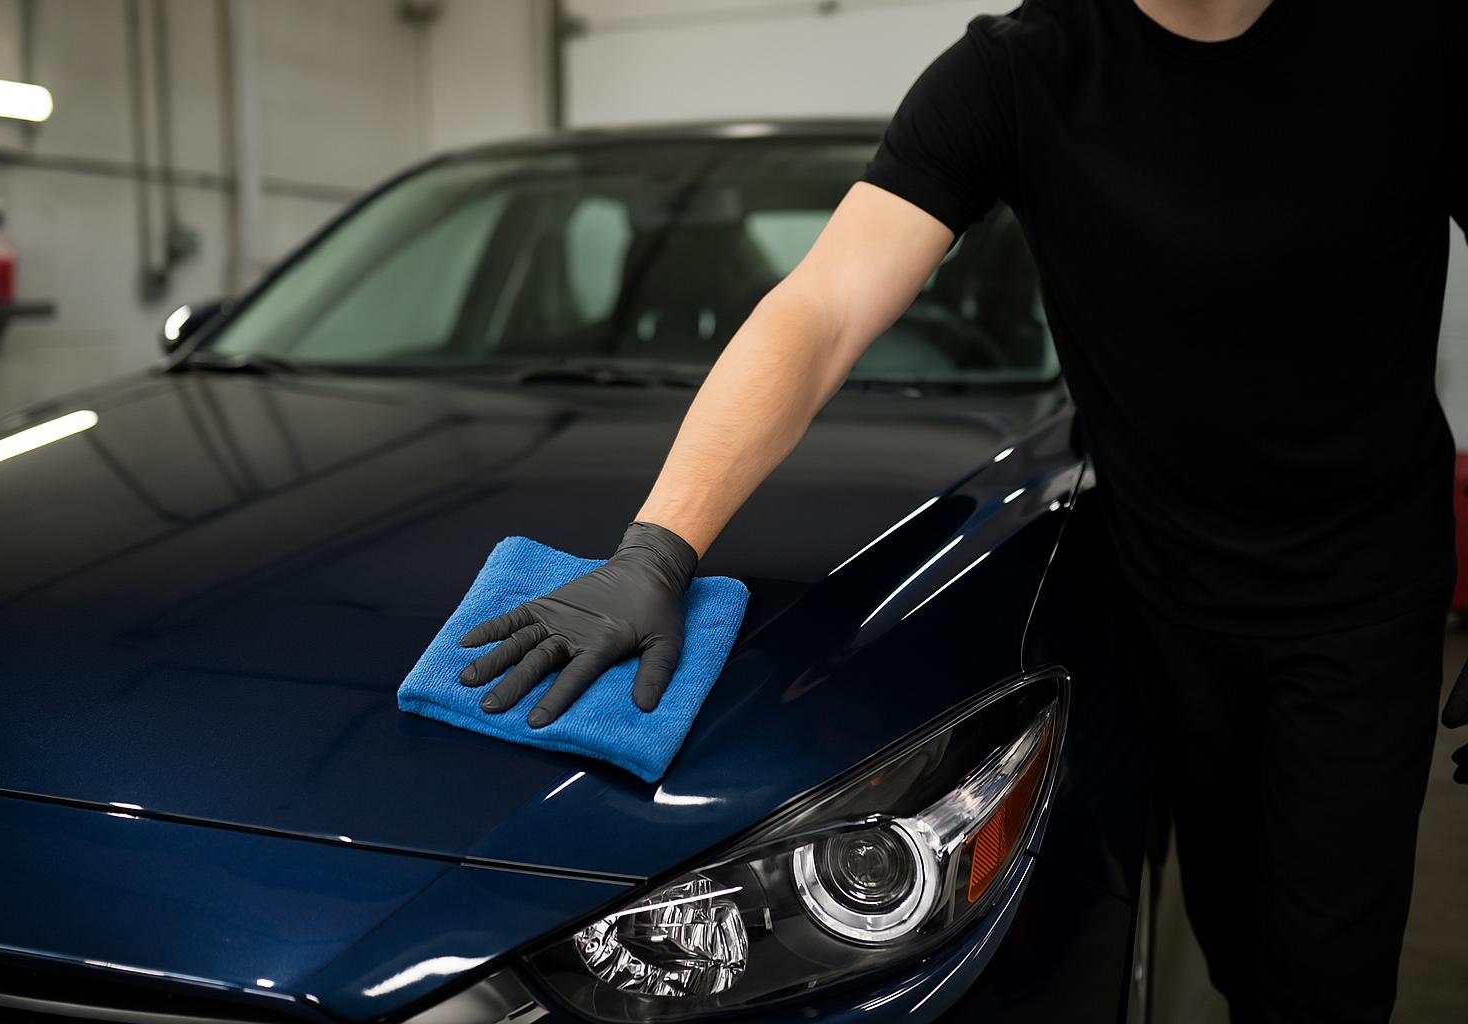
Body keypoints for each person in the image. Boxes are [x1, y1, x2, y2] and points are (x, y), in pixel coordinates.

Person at [456, 0, 1467, 1020]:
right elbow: (825, 303)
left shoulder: (1417, 41)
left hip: (1363, 597)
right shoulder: (1019, 72)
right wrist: (659, 544)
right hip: (1164, 594)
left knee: (1325, 970)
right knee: (1232, 933)